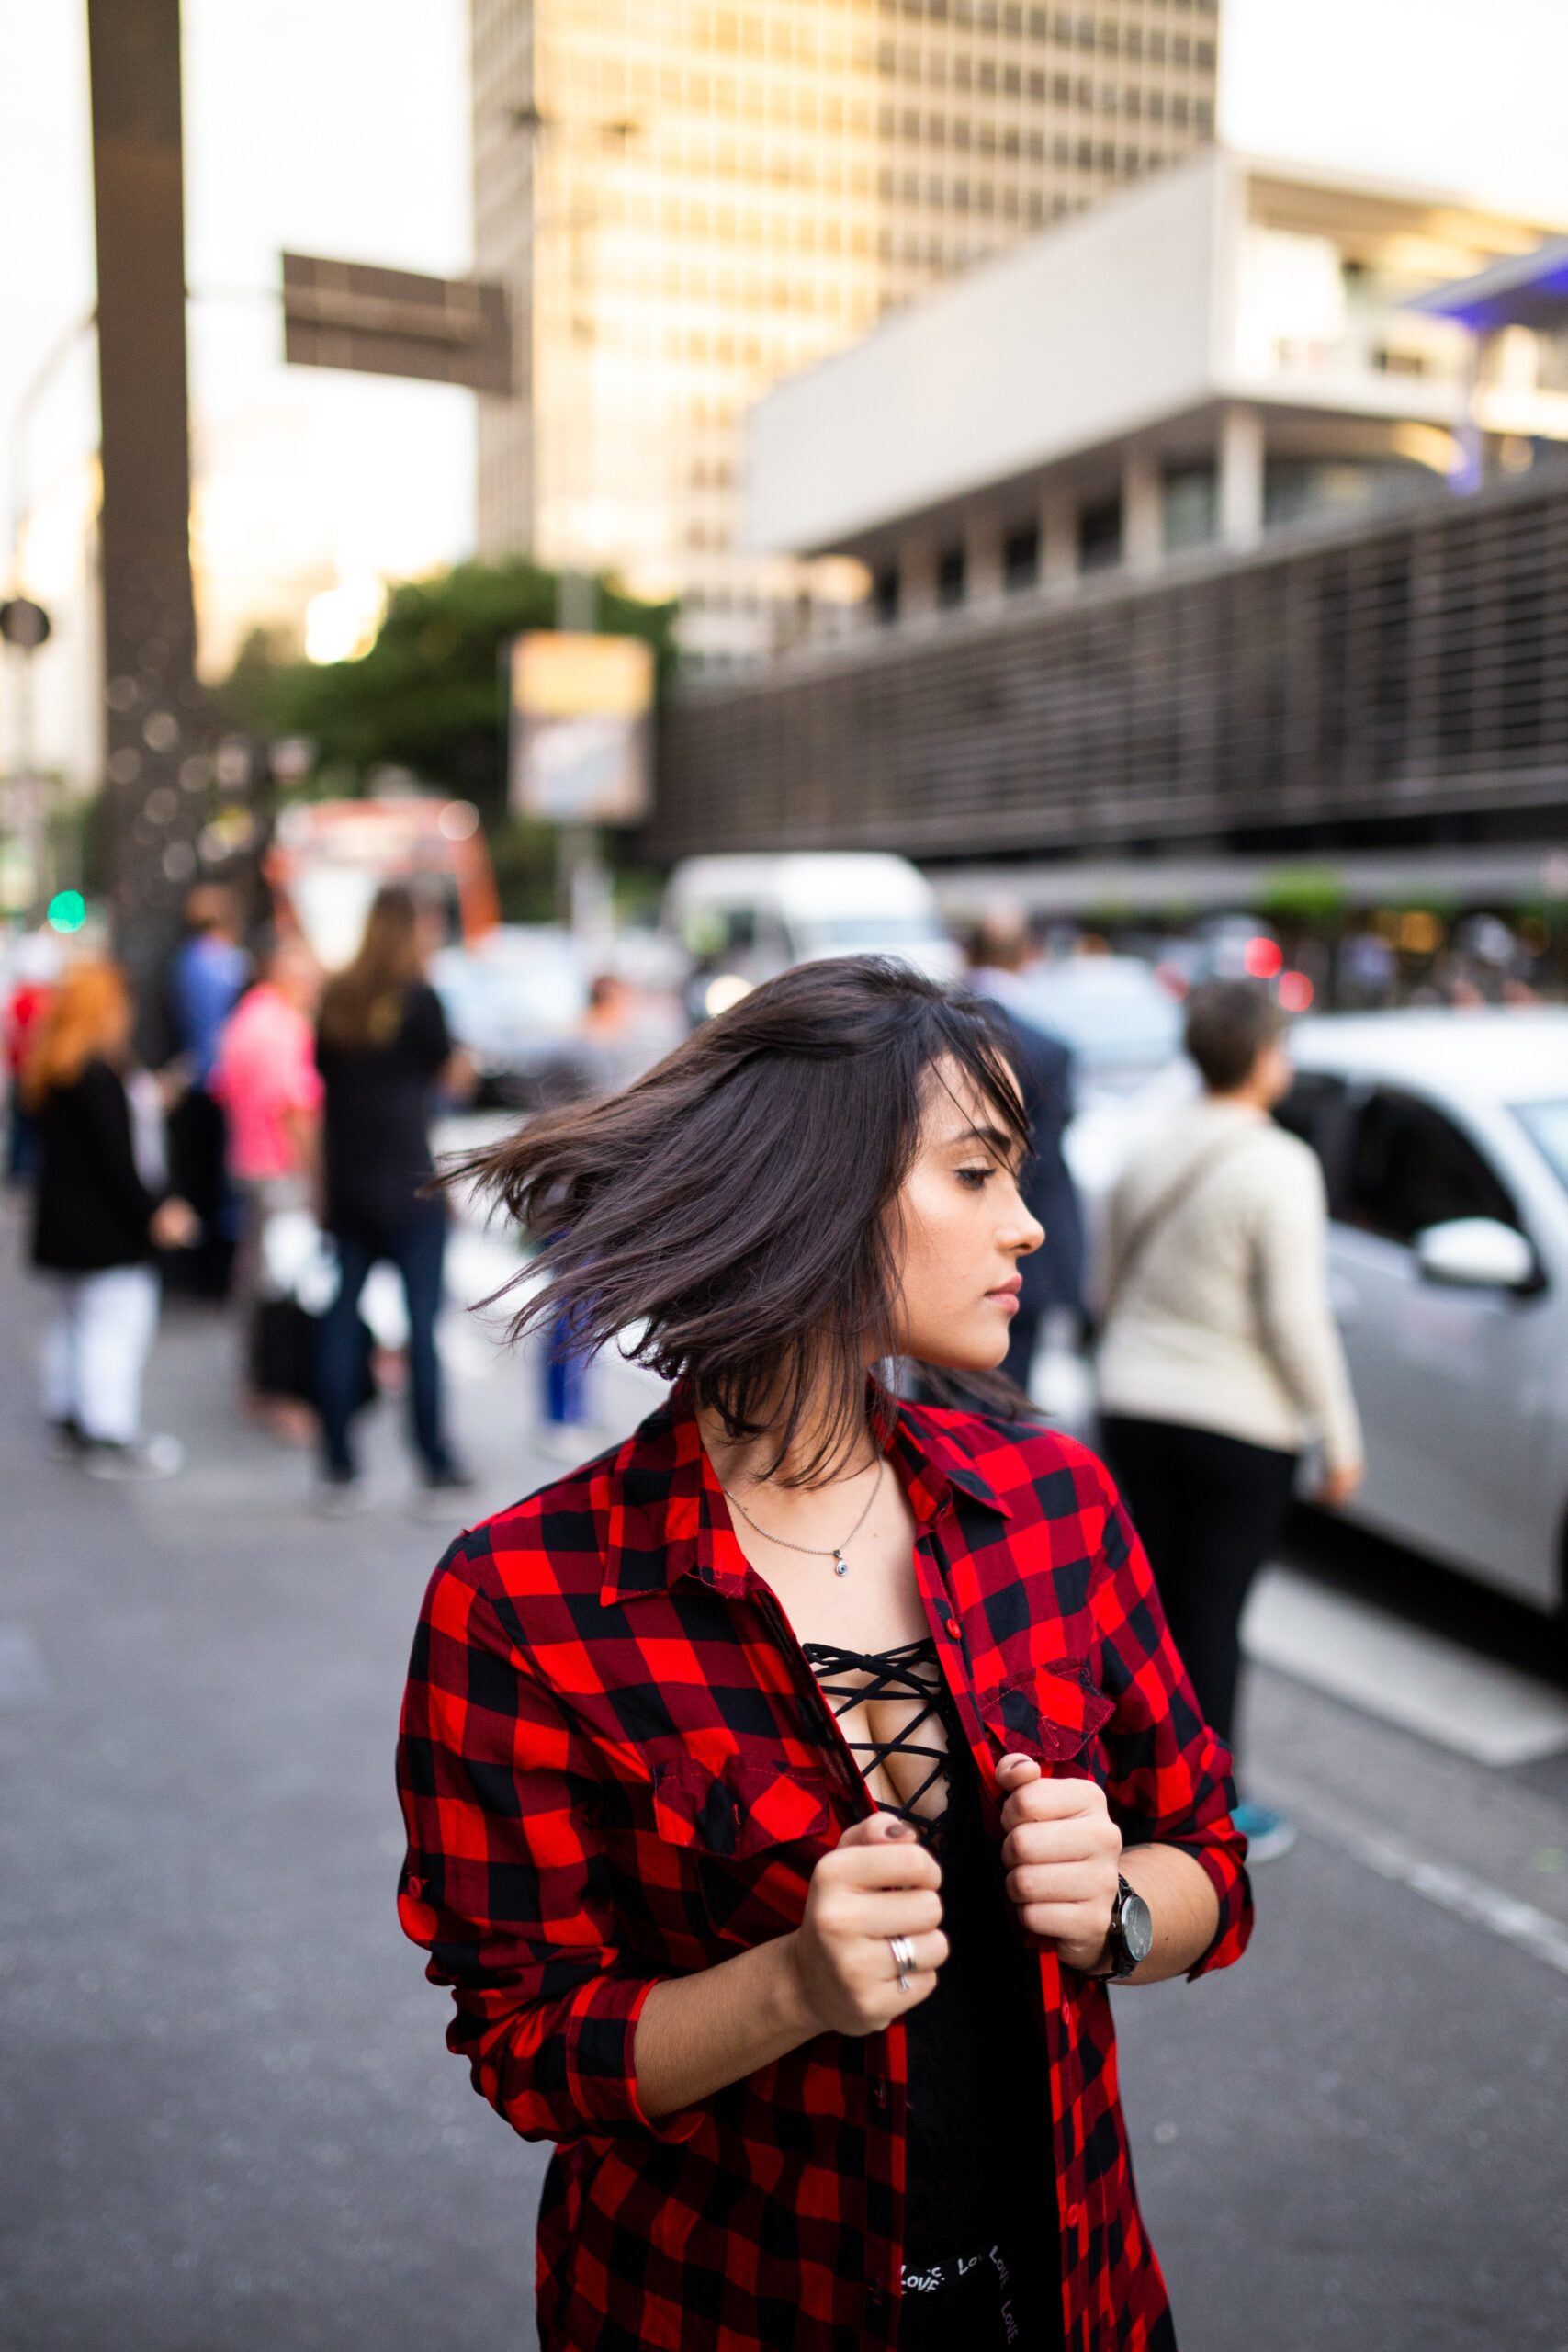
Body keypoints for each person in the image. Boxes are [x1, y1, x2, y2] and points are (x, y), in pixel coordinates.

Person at [396, 956, 1252, 2352]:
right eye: (975, 1174)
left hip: (1067, 2290)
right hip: (715, 2307)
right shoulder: (527, 1600)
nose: (1027, 1227)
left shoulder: (1049, 1503)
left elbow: (1206, 1860)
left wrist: (1118, 1907)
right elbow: (530, 2046)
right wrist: (791, 1984)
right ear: (822, 1190)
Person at [1097, 979, 1364, 1864]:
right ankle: (1206, 1809)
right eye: (1280, 1046)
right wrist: (1337, 1434)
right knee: (1213, 1612)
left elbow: (1104, 1285)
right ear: (1258, 1057)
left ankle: (1128, 1782)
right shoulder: (1277, 1162)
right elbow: (1295, 1316)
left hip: (1133, 1402)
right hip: (1237, 1423)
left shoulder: (1146, 1145)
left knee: (1147, 1614)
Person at [313, 886, 469, 1510]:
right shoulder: (422, 998)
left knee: (340, 1321)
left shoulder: (336, 998)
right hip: (409, 1182)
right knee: (422, 1329)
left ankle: (337, 1465)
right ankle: (431, 1461)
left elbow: (324, 1091)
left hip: (348, 1181)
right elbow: (453, 1079)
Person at [25, 960, 196, 1478]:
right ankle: (108, 1433)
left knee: (76, 1322)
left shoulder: (56, 1069)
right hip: (104, 1228)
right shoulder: (95, 1074)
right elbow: (118, 1162)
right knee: (114, 1327)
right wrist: (154, 1212)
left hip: (65, 1225)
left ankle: (72, 1417)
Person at [964, 911, 1085, 1391]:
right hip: (1022, 1271)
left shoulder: (920, 1038)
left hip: (940, 1262)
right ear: (1028, 956)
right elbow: (1050, 1168)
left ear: (968, 953)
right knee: (1005, 1405)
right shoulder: (1047, 1049)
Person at [209, 932, 323, 1436]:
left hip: (249, 1161)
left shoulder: (246, 1018)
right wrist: (317, 1175)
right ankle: (278, 1390)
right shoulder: (282, 1027)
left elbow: (222, 1088)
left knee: (256, 1277)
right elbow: (295, 1109)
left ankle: (257, 1382)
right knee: (284, 1286)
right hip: (281, 1170)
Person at [164, 883, 249, 1298]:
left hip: (199, 1082)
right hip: (222, 1085)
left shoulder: (187, 962)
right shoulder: (230, 964)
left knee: (202, 1182)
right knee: (221, 1185)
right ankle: (215, 1274)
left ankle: (202, 1270)